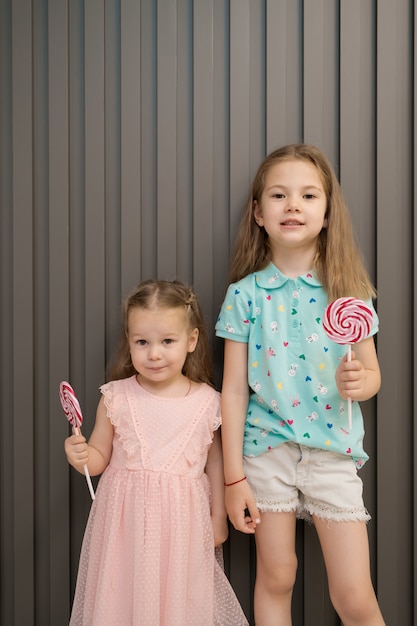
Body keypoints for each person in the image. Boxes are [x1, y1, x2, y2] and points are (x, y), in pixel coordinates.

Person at [215, 144, 385, 625]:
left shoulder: (349, 291)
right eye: (278, 195)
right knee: (278, 575)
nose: (293, 205)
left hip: (333, 451)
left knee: (353, 594)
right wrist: (233, 479)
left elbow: (372, 376)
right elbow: (232, 391)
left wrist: (360, 381)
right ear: (257, 213)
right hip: (266, 452)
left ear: (327, 213)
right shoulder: (245, 296)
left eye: (309, 195)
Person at [65, 279, 248, 626]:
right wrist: (80, 455)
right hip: (124, 529)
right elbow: (98, 456)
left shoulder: (208, 401)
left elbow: (215, 464)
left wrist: (219, 518)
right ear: (129, 342)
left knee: (180, 604)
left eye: (167, 341)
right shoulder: (116, 396)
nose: (154, 353)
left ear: (191, 340)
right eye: (142, 342)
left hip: (183, 528)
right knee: (122, 603)